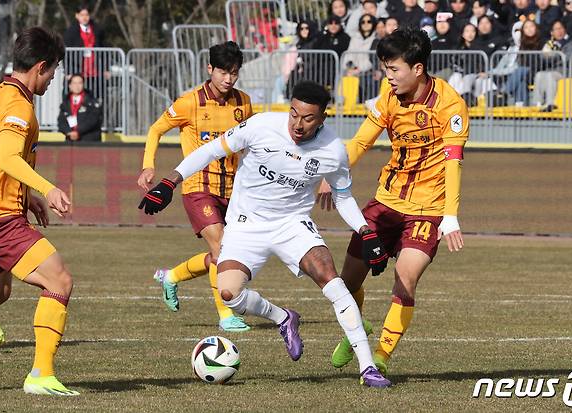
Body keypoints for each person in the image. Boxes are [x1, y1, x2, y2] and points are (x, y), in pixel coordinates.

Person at [139, 81, 392, 388]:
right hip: (246, 224)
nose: (298, 125)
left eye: (308, 118)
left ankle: (368, 367)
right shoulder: (261, 125)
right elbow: (210, 150)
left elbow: (343, 196)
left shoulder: (333, 151)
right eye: (294, 114)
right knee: (229, 294)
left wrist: (365, 231)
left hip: (293, 224)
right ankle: (283, 318)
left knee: (331, 279)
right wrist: (170, 181)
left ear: (322, 119)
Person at [317, 27, 469, 376]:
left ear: (417, 69)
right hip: (386, 203)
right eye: (386, 69)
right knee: (347, 282)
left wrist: (450, 216)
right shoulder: (388, 96)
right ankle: (358, 330)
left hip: (429, 210)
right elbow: (360, 142)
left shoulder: (450, 104)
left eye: (394, 69)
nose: (389, 77)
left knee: (406, 276)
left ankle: (381, 355)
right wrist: (332, 172)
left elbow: (452, 161)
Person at [0, 27, 77, 396]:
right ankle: (41, 374)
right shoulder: (19, 105)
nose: (54, 78)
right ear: (40, 66)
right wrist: (47, 187)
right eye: (53, 69)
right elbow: (7, 158)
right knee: (60, 281)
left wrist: (25, 197)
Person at [138, 41, 253, 333]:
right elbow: (155, 129)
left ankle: (171, 277)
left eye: (234, 73)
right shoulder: (189, 102)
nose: (228, 79)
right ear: (209, 69)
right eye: (223, 72)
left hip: (233, 190)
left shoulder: (244, 103)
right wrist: (148, 165)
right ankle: (226, 314)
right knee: (223, 247)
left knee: (222, 254)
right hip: (197, 187)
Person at [57, 74, 102, 142]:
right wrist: (69, 132)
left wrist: (78, 132)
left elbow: (93, 120)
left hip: (89, 141)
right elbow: (61, 121)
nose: (77, 86)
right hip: (71, 141)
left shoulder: (92, 101)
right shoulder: (65, 103)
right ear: (70, 86)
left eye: (80, 83)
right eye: (74, 83)